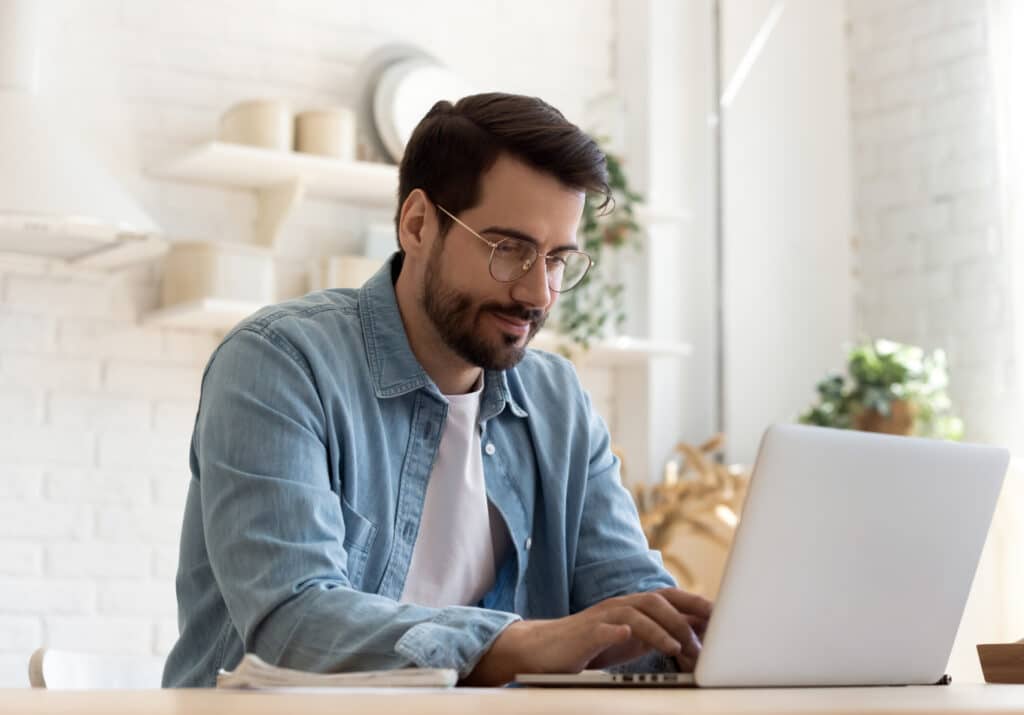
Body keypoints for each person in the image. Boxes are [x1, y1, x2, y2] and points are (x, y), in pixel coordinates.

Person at [162, 92, 711, 688]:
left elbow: (631, 602)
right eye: (509, 250)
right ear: (418, 224)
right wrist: (520, 643)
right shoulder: (280, 365)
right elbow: (292, 625)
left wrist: (699, 641)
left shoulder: (559, 403)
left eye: (556, 260)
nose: (537, 295)